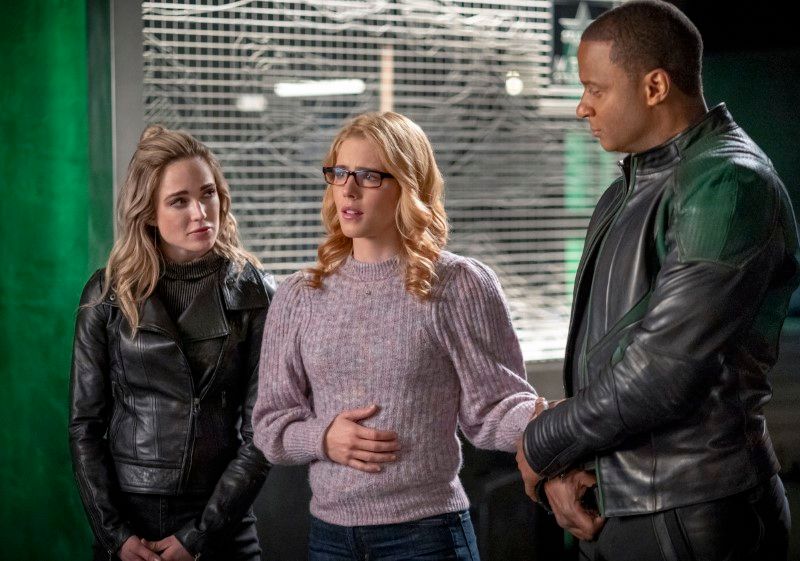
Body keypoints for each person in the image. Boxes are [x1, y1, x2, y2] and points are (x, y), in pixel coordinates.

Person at [516, 1, 799, 560]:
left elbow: (661, 374)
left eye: (595, 89)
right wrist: (567, 466)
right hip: (619, 502)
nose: (581, 106)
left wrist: (541, 443)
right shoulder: (629, 188)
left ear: (654, 87)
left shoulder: (727, 185)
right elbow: (610, 359)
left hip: (692, 514)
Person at [252, 111, 542, 560]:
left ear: (407, 186)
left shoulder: (457, 284)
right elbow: (271, 426)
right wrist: (323, 439)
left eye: (369, 176)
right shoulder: (299, 295)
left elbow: (495, 409)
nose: (348, 189)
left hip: (427, 536)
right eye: (340, 173)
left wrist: (555, 422)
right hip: (329, 539)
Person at [69, 125, 274, 561]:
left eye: (208, 194)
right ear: (148, 213)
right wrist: (115, 535)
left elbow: (262, 431)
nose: (200, 213)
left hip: (223, 515)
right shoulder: (107, 295)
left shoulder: (254, 292)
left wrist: (200, 535)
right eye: (179, 201)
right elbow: (85, 427)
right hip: (131, 519)